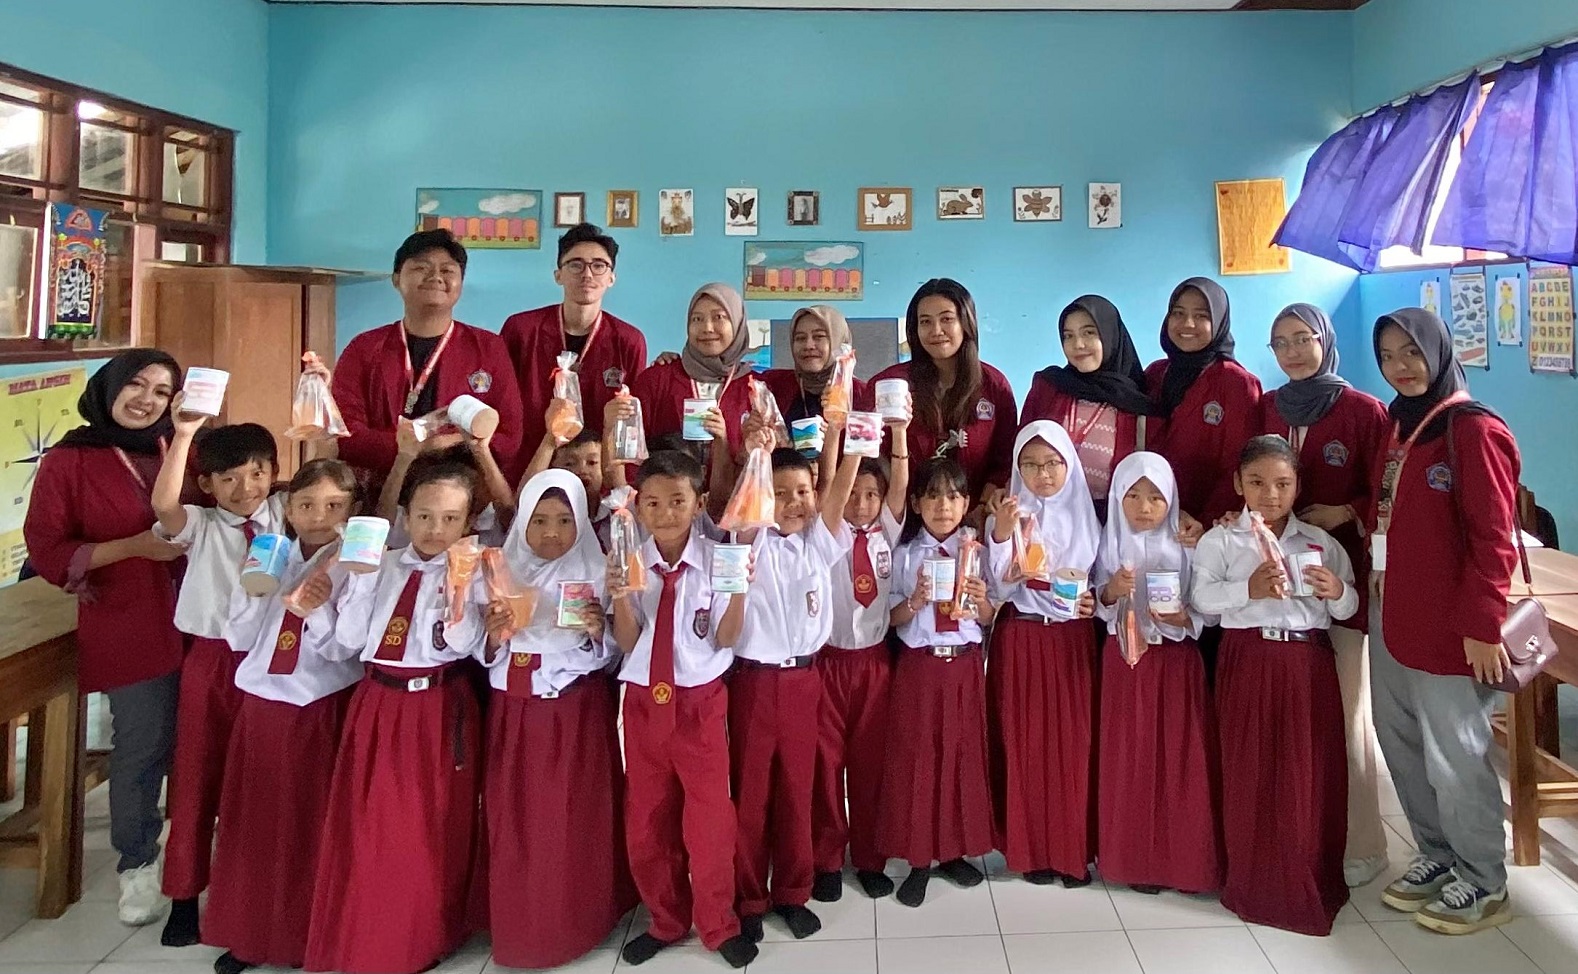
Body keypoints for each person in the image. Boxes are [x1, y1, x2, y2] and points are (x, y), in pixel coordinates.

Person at [1368, 309, 1521, 935]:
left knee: (1455, 753)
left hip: (1451, 627)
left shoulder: (1471, 428)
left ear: (1438, 351)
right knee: (1400, 741)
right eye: (1387, 356)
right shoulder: (1398, 426)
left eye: (1412, 352)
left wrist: (1483, 626)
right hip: (1391, 614)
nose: (1401, 367)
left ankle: (1484, 879)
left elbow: (1494, 538)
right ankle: (1436, 854)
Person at [23, 349, 188, 926]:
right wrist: (132, 548)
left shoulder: (179, 447)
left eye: (162, 391)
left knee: (196, 741)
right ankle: (137, 863)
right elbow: (48, 550)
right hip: (127, 619)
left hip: (202, 619)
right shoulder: (70, 460)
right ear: (109, 387)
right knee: (143, 743)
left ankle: (196, 853)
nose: (147, 400)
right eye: (136, 385)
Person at [306, 458, 487, 974]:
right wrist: (355, 585)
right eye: (425, 516)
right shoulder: (380, 565)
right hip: (379, 703)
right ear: (405, 517)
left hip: (437, 706)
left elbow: (465, 645)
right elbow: (347, 642)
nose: (436, 529)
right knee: (373, 822)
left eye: (451, 519)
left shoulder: (472, 572)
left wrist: (458, 595)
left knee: (431, 825)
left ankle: (426, 934)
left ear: (468, 523)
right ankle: (371, 931)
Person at [203, 459, 363, 974]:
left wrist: (317, 608)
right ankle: (250, 933)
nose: (319, 516)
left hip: (319, 705)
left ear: (352, 511)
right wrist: (255, 594)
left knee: (311, 825)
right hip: (262, 705)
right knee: (252, 823)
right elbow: (238, 638)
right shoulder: (272, 553)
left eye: (334, 505)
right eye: (306, 505)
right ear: (288, 510)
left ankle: (306, 935)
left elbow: (345, 649)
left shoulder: (356, 566)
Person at [1191, 435, 1356, 936]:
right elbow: (1202, 601)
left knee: (1307, 770)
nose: (1270, 494)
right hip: (1248, 659)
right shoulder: (1222, 540)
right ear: (1238, 483)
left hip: (1307, 663)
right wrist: (1248, 589)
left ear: (1298, 486)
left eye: (1283, 484)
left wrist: (1337, 590)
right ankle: (1251, 880)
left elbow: (1347, 607)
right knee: (1250, 768)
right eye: (1257, 482)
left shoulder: (1318, 543)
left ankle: (1308, 875)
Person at [479, 469, 637, 969]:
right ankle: (523, 923)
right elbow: (475, 651)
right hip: (516, 714)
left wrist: (597, 632)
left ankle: (581, 918)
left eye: (565, 521)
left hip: (575, 713)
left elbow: (617, 651)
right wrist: (492, 637)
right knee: (518, 821)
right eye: (540, 520)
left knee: (575, 818)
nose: (552, 533)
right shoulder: (498, 571)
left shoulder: (599, 570)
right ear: (523, 521)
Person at [1260, 302, 1392, 889]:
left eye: (1302, 338)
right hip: (1274, 591)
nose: (1292, 352)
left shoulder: (1363, 410)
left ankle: (1363, 843)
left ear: (1325, 340)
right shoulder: (1269, 407)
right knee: (1289, 727)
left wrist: (1346, 511)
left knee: (1346, 716)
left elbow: (1386, 493)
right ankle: (1293, 835)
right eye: (1280, 343)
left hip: (1338, 586)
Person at [609, 451, 757, 969]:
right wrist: (621, 597)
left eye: (677, 501)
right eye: (652, 503)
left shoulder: (720, 560)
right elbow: (628, 643)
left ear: (699, 504)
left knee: (710, 819)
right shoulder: (630, 561)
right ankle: (665, 919)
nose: (665, 513)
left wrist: (738, 591)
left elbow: (727, 638)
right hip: (644, 703)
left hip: (699, 703)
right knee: (647, 817)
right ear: (638, 507)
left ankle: (717, 922)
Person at [149, 414, 285, 948]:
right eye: (228, 478)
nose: (245, 488)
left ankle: (248, 894)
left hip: (273, 662)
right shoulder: (200, 525)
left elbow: (328, 477)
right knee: (195, 776)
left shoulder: (286, 514)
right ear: (206, 484)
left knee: (261, 778)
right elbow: (165, 506)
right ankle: (184, 897)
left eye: (257, 473)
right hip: (211, 663)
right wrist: (184, 435)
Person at [729, 432, 861, 942]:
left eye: (803, 491)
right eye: (780, 493)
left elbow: (838, 493)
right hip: (756, 684)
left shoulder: (817, 545)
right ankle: (748, 898)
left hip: (806, 680)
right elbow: (748, 508)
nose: (794, 502)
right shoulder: (751, 541)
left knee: (797, 791)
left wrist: (854, 442)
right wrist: (758, 459)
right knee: (750, 795)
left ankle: (792, 891)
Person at [1093, 452, 1222, 895]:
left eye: (1155, 497)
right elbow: (1093, 602)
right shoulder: (1107, 543)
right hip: (1127, 660)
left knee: (1181, 761)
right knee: (1130, 759)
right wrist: (1111, 591)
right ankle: (1134, 862)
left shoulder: (1189, 544)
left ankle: (1184, 864)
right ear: (1116, 498)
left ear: (1171, 499)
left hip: (1176, 663)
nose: (1144, 507)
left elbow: (1209, 608)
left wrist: (1188, 619)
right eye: (1132, 496)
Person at [984, 422, 1101, 887]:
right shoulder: (1009, 516)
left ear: (1069, 464)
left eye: (1052, 463)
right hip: (1022, 638)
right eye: (1030, 465)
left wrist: (1096, 600)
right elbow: (996, 589)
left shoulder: (1089, 518)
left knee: (1073, 748)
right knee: (1026, 744)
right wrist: (1001, 535)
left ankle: (1071, 853)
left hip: (1071, 643)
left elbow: (1104, 583)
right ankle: (1029, 852)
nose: (1043, 474)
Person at [880, 458, 995, 908]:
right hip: (920, 667)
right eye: (932, 497)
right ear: (915, 503)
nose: (943, 506)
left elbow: (989, 618)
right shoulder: (905, 555)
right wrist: (914, 601)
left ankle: (952, 851)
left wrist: (983, 603)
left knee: (961, 756)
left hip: (964, 665)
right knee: (920, 760)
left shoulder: (978, 553)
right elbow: (890, 619)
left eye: (952, 497)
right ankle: (919, 859)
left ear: (966, 503)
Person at [331, 228, 525, 490]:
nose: (436, 277)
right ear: (396, 279)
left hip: (463, 497)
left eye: (447, 270)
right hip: (377, 493)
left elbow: (509, 438)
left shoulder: (489, 347)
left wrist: (450, 442)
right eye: (421, 268)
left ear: (461, 282)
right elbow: (345, 435)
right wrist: (415, 447)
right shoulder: (364, 348)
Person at [812, 433, 910, 904]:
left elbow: (900, 485)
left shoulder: (887, 533)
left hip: (874, 664)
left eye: (872, 495)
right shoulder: (827, 534)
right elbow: (830, 482)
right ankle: (828, 859)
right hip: (828, 664)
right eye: (853, 493)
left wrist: (900, 431)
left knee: (871, 765)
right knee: (827, 765)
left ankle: (870, 858)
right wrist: (839, 434)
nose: (862, 503)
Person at [500, 223, 648, 454]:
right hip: (531, 460)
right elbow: (503, 403)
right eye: (576, 264)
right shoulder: (521, 330)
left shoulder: (629, 340)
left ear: (611, 278)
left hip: (597, 464)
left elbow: (632, 418)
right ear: (558, 275)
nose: (587, 274)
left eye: (599, 265)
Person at [871, 279, 1016, 506]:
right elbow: (869, 457)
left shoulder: (995, 385)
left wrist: (980, 509)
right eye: (925, 322)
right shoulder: (888, 384)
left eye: (946, 319)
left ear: (966, 323)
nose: (936, 331)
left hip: (975, 517)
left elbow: (1005, 459)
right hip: (902, 516)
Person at [1019, 295, 1156, 521]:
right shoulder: (1049, 387)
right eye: (1068, 336)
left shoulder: (1137, 403)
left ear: (1110, 335)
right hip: (1046, 522)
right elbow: (1020, 451)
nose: (1078, 345)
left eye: (1089, 333)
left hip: (1112, 525)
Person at [1145, 277, 1263, 525]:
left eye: (1201, 316)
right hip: (1149, 516)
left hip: (1208, 525)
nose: (1188, 324)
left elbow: (1240, 464)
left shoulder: (1237, 384)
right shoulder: (1155, 374)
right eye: (1178, 313)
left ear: (1219, 322)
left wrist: (1207, 522)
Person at [628, 283, 754, 459]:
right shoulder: (657, 379)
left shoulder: (755, 389)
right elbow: (631, 453)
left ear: (738, 323)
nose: (707, 328)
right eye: (697, 319)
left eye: (718, 317)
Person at [756, 305, 869, 424]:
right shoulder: (774, 386)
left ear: (838, 342)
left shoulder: (862, 395)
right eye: (800, 338)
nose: (808, 345)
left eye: (819, 336)